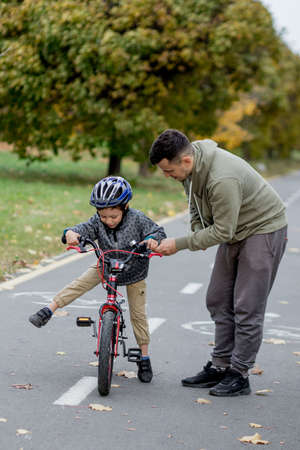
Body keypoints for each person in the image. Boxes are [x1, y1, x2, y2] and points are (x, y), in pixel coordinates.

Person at [149, 129, 287, 396]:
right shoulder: (189, 171)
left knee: (247, 305)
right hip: (235, 229)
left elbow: (223, 231)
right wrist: (197, 228)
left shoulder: (222, 177)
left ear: (186, 161)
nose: (167, 177)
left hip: (263, 229)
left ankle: (239, 373)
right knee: (218, 298)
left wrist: (180, 244)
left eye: (168, 171)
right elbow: (195, 206)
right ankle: (221, 366)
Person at [29, 176, 166, 383]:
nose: (108, 221)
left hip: (134, 270)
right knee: (78, 284)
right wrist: (70, 234)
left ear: (125, 207)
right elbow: (81, 229)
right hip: (106, 264)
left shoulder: (137, 219)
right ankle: (48, 310)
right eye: (103, 216)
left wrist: (152, 240)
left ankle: (144, 357)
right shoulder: (97, 222)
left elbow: (157, 231)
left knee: (138, 314)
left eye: (113, 216)